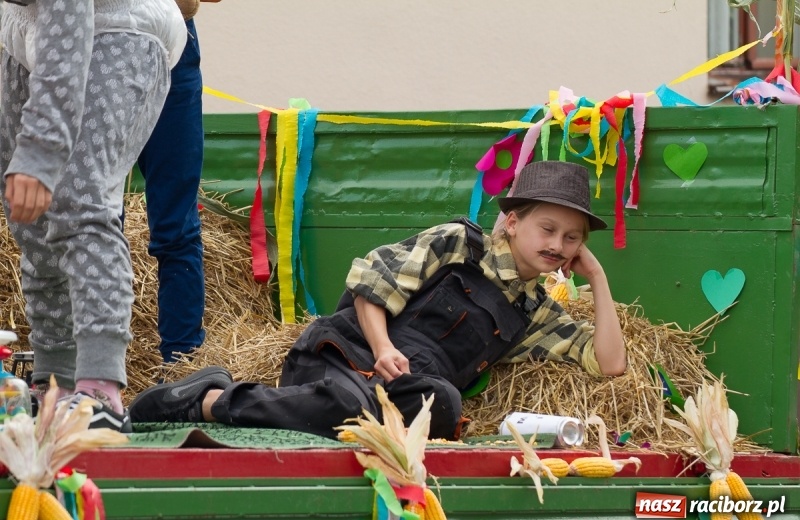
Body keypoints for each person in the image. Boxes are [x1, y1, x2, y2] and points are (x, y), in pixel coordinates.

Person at [130, 161, 627, 439]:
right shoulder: (458, 244)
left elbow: (609, 364)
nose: (557, 246)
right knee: (351, 405)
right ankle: (207, 400)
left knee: (445, 406)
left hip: (406, 391)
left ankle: (236, 400)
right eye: (548, 229)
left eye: (571, 239)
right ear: (514, 221)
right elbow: (371, 284)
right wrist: (384, 347)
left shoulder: (534, 310)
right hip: (348, 355)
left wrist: (598, 278)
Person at [0, 0, 187, 432]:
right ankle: (55, 384)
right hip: (24, 30)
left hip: (116, 26)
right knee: (28, 212)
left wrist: (42, 151)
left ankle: (100, 390)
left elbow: (67, 23)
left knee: (77, 197)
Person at [136, 0, 221, 366]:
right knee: (98, 221)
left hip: (173, 45)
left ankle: (181, 365)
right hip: (97, 44)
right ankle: (94, 371)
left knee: (176, 226)